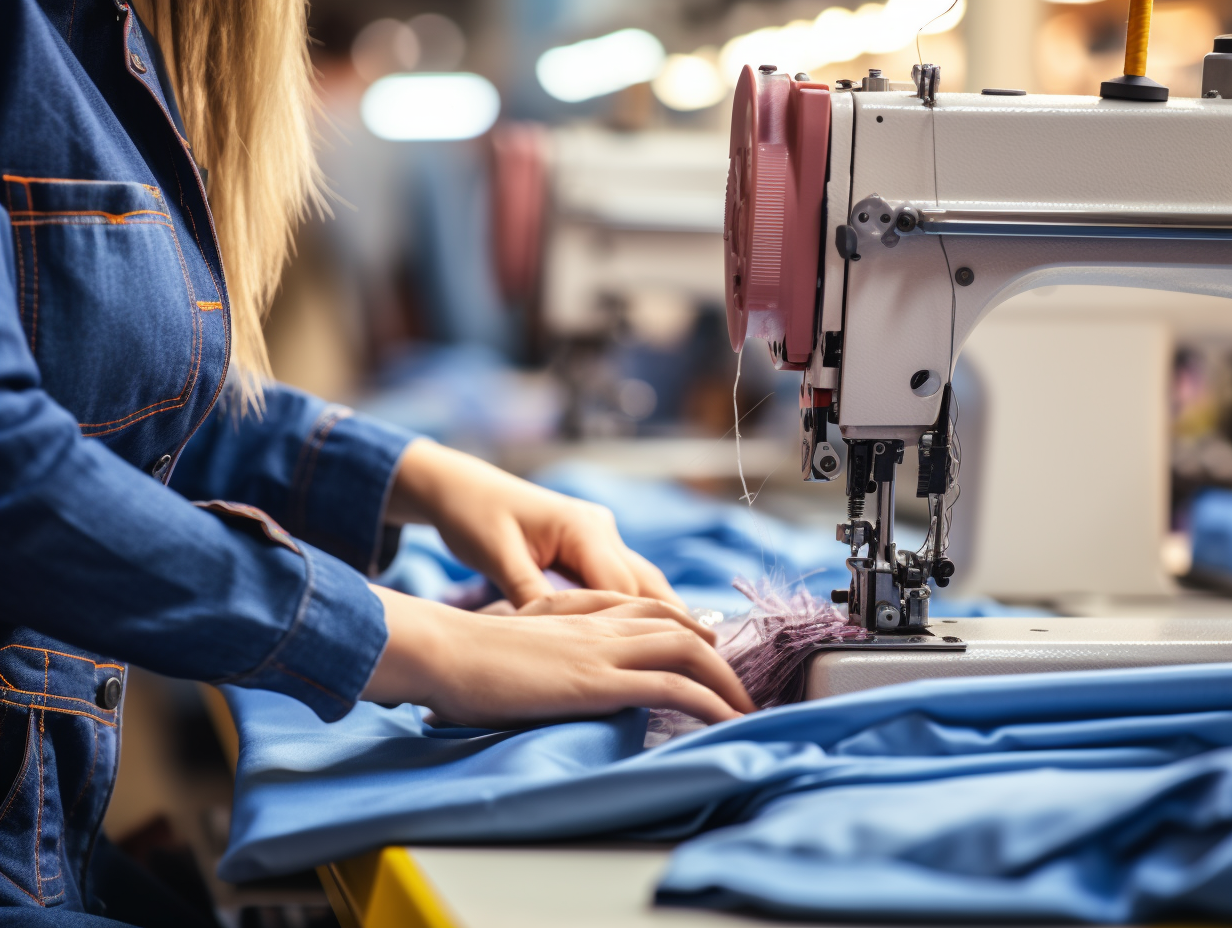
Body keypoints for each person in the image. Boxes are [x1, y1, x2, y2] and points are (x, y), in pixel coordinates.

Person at [0, 1, 754, 923]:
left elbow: (117, 407)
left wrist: (421, 476)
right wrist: (426, 644)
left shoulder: (88, 37)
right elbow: (18, 477)